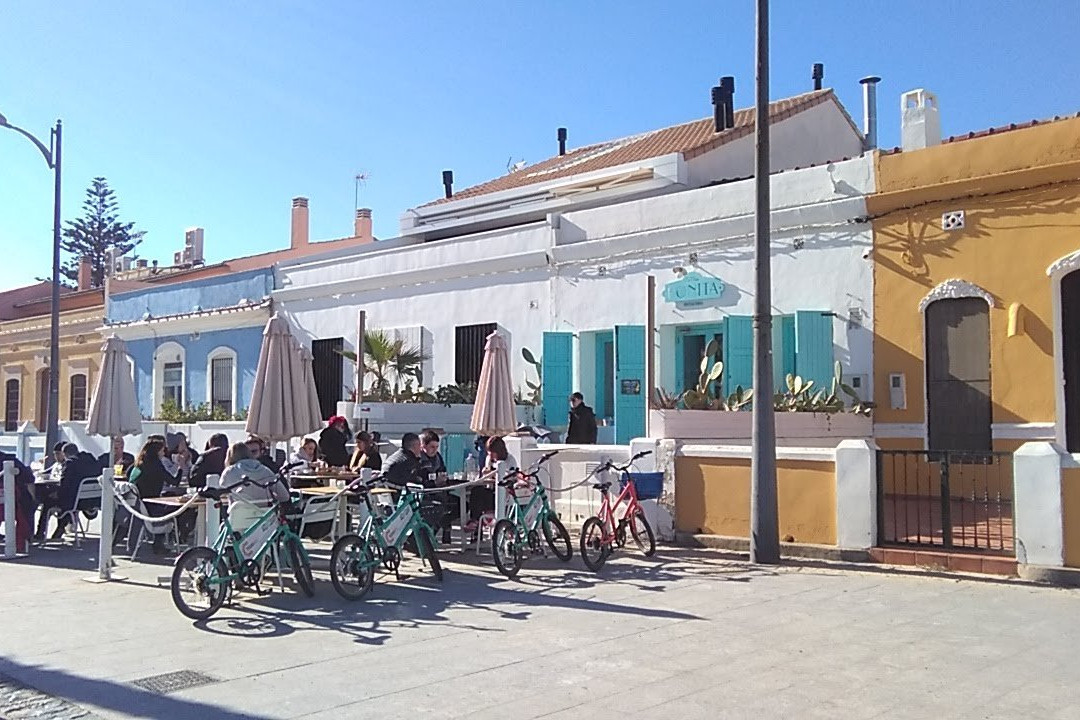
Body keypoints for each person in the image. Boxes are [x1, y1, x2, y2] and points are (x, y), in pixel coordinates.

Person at [129, 439, 188, 553]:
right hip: (152, 505)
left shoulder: (139, 464)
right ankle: (170, 540)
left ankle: (161, 542)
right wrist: (180, 466)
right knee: (180, 509)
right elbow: (174, 481)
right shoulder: (156, 466)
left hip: (140, 503)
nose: (163, 453)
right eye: (161, 451)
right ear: (156, 452)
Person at [220, 442, 289, 533]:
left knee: (222, 526)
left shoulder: (229, 472)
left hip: (238, 518)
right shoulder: (265, 470)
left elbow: (221, 490)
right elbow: (285, 496)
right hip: (264, 519)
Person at [45, 443, 103, 541]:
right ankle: (61, 528)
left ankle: (40, 533)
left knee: (48, 501)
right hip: (93, 500)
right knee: (66, 496)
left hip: (76, 503)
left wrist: (55, 493)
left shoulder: (70, 463)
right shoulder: (92, 460)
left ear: (64, 454)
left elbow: (64, 484)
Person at [468, 436, 519, 526]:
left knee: (481, 496)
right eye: (488, 452)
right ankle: (474, 520)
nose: (490, 455)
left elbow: (511, 477)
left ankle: (479, 523)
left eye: (492, 453)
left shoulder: (510, 460)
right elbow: (486, 475)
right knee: (476, 491)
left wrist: (493, 474)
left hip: (504, 496)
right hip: (492, 491)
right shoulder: (489, 459)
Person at [417, 430, 454, 543]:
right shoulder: (418, 460)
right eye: (432, 447)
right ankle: (429, 537)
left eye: (437, 447)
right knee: (441, 507)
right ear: (423, 446)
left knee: (459, 505)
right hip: (425, 495)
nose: (435, 450)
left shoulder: (438, 457)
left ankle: (439, 531)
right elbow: (419, 482)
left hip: (440, 491)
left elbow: (443, 470)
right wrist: (434, 483)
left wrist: (444, 478)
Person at [0, 450, 35, 550]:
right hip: (16, 505)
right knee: (29, 503)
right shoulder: (11, 460)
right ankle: (25, 541)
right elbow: (29, 478)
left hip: (7, 506)